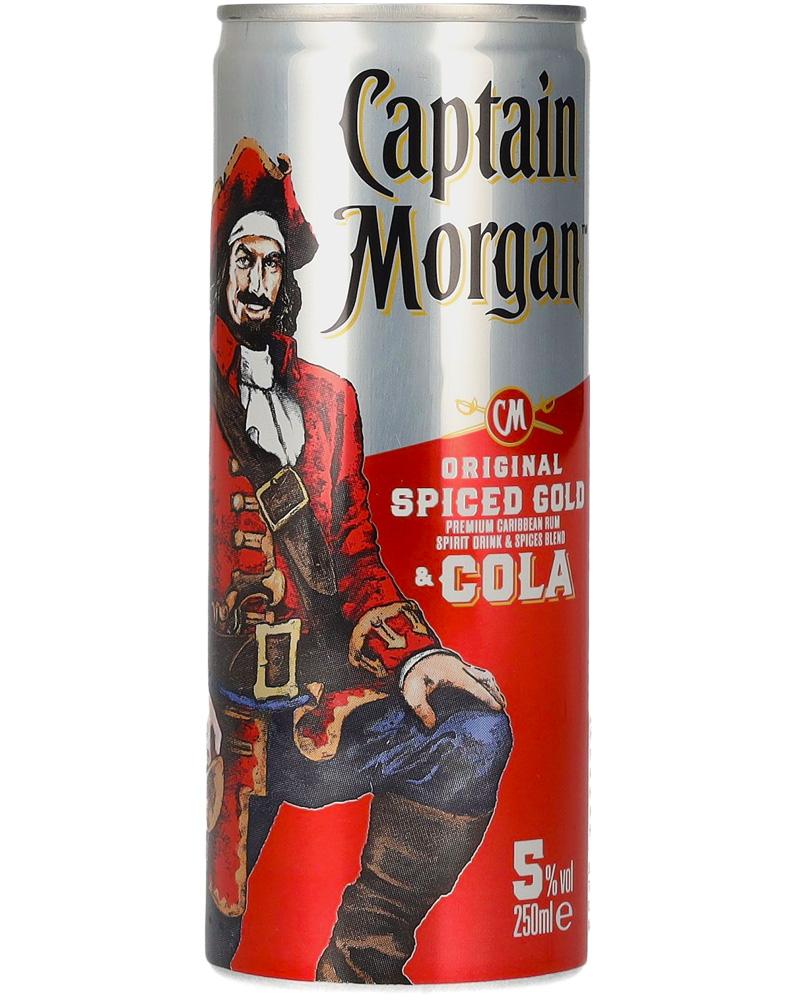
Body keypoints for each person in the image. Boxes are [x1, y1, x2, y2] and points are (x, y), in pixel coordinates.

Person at [206, 139, 512, 984]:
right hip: (225, 725)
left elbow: (356, 559)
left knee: (474, 728)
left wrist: (416, 658)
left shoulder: (330, 402)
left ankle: (360, 961)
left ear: (286, 279)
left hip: (317, 715)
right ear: (220, 271)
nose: (256, 279)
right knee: (218, 938)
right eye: (242, 259)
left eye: (271, 262)